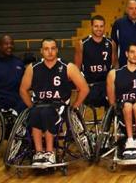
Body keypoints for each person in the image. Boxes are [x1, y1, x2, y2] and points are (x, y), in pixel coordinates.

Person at [19, 38, 89, 166]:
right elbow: (23, 90)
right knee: (35, 113)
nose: (50, 52)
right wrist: (30, 106)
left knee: (46, 113)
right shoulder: (33, 68)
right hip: (40, 103)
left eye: (52, 48)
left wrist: (74, 107)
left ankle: (50, 152)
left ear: (57, 50)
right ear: (41, 51)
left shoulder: (68, 67)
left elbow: (84, 88)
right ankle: (39, 152)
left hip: (59, 105)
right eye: (46, 49)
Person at [74, 15, 117, 107]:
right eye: (96, 26)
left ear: (104, 27)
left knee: (115, 99)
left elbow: (114, 65)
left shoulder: (111, 43)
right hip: (89, 84)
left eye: (101, 26)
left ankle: (109, 119)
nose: (99, 29)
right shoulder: (82, 44)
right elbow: (77, 67)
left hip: (106, 84)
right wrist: (78, 84)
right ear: (91, 26)